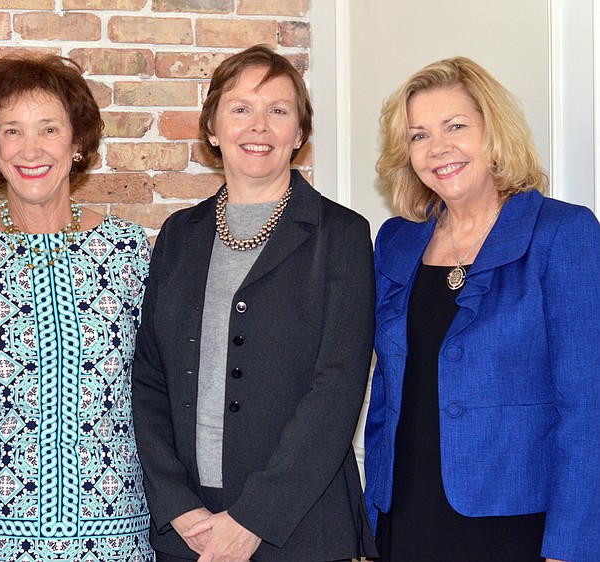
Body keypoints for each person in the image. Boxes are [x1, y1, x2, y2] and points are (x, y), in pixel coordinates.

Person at [131, 44, 377, 562]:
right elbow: (150, 377)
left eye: (278, 111)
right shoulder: (179, 235)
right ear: (213, 130)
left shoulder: (342, 236)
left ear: (300, 134)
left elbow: (337, 389)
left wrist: (252, 520)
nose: (258, 126)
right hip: (189, 530)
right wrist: (177, 506)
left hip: (300, 528)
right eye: (240, 109)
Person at [365, 56, 600, 562]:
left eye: (456, 127)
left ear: (493, 133)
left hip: (517, 523)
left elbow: (588, 405)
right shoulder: (396, 241)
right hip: (405, 515)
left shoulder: (563, 233)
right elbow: (385, 396)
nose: (438, 148)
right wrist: (369, 522)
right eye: (419, 135)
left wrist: (572, 547)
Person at [0, 54, 154, 561]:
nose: (30, 149)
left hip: (114, 530)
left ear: (77, 144)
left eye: (49, 129)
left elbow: (159, 384)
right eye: (11, 131)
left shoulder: (125, 249)